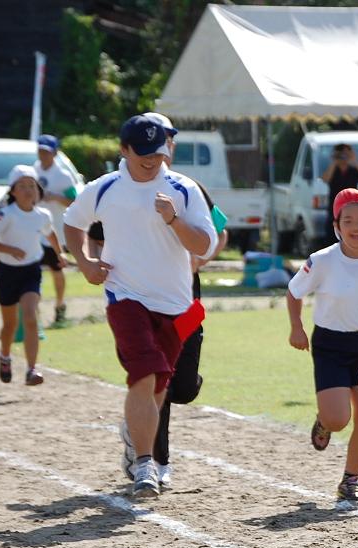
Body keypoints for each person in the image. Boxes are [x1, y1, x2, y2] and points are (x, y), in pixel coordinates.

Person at [63, 115, 217, 498]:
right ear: (124, 150)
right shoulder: (105, 188)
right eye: (143, 152)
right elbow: (72, 222)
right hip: (124, 295)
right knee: (146, 373)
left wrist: (174, 221)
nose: (152, 159)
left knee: (160, 385)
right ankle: (145, 466)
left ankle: (135, 437)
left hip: (175, 301)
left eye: (158, 151)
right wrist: (84, 263)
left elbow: (205, 246)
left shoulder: (184, 189)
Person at [120, 112, 227, 489]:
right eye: (161, 139)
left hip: (186, 299)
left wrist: (201, 257)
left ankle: (136, 426)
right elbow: (98, 232)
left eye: (169, 140)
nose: (165, 147)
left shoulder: (189, 188)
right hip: (143, 300)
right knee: (154, 376)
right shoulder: (123, 188)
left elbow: (220, 230)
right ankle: (157, 460)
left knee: (182, 387)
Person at [287, 188, 358, 501]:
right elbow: (294, 292)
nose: (356, 226)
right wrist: (297, 328)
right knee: (338, 418)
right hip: (330, 344)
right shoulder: (322, 261)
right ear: (337, 225)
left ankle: (350, 479)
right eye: (348, 220)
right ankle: (324, 419)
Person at [0, 165, 61, 386]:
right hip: (7, 272)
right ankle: (5, 357)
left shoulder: (42, 215)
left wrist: (60, 254)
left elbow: (50, 233)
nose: (28, 190)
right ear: (13, 191)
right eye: (22, 186)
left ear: (37, 190)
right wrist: (10, 250)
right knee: (9, 324)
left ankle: (31, 370)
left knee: (29, 316)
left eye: (31, 186)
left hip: (31, 270)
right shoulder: (4, 215)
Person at [34, 134, 79, 326]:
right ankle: (33, 311)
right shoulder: (34, 170)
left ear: (54, 152)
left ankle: (60, 306)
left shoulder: (63, 175)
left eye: (47, 151)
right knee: (33, 270)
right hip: (36, 229)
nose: (43, 154)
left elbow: (74, 200)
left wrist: (55, 197)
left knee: (56, 270)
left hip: (56, 230)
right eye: (40, 150)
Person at [321, 143, 358, 240]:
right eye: (341, 154)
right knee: (332, 238)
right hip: (334, 210)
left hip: (351, 208)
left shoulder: (353, 170)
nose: (343, 157)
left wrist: (354, 160)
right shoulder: (332, 170)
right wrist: (335, 162)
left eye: (345, 154)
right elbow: (325, 179)